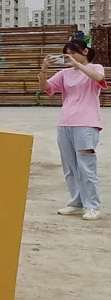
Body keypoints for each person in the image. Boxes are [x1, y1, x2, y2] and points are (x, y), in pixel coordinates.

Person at [40, 36, 106, 220]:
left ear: (85, 52)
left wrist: (79, 66)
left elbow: (99, 78)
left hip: (86, 123)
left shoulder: (94, 68)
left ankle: (92, 205)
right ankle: (76, 202)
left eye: (73, 53)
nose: (69, 57)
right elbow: (46, 87)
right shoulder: (64, 74)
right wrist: (44, 69)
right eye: (66, 55)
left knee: (86, 166)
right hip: (65, 123)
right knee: (70, 167)